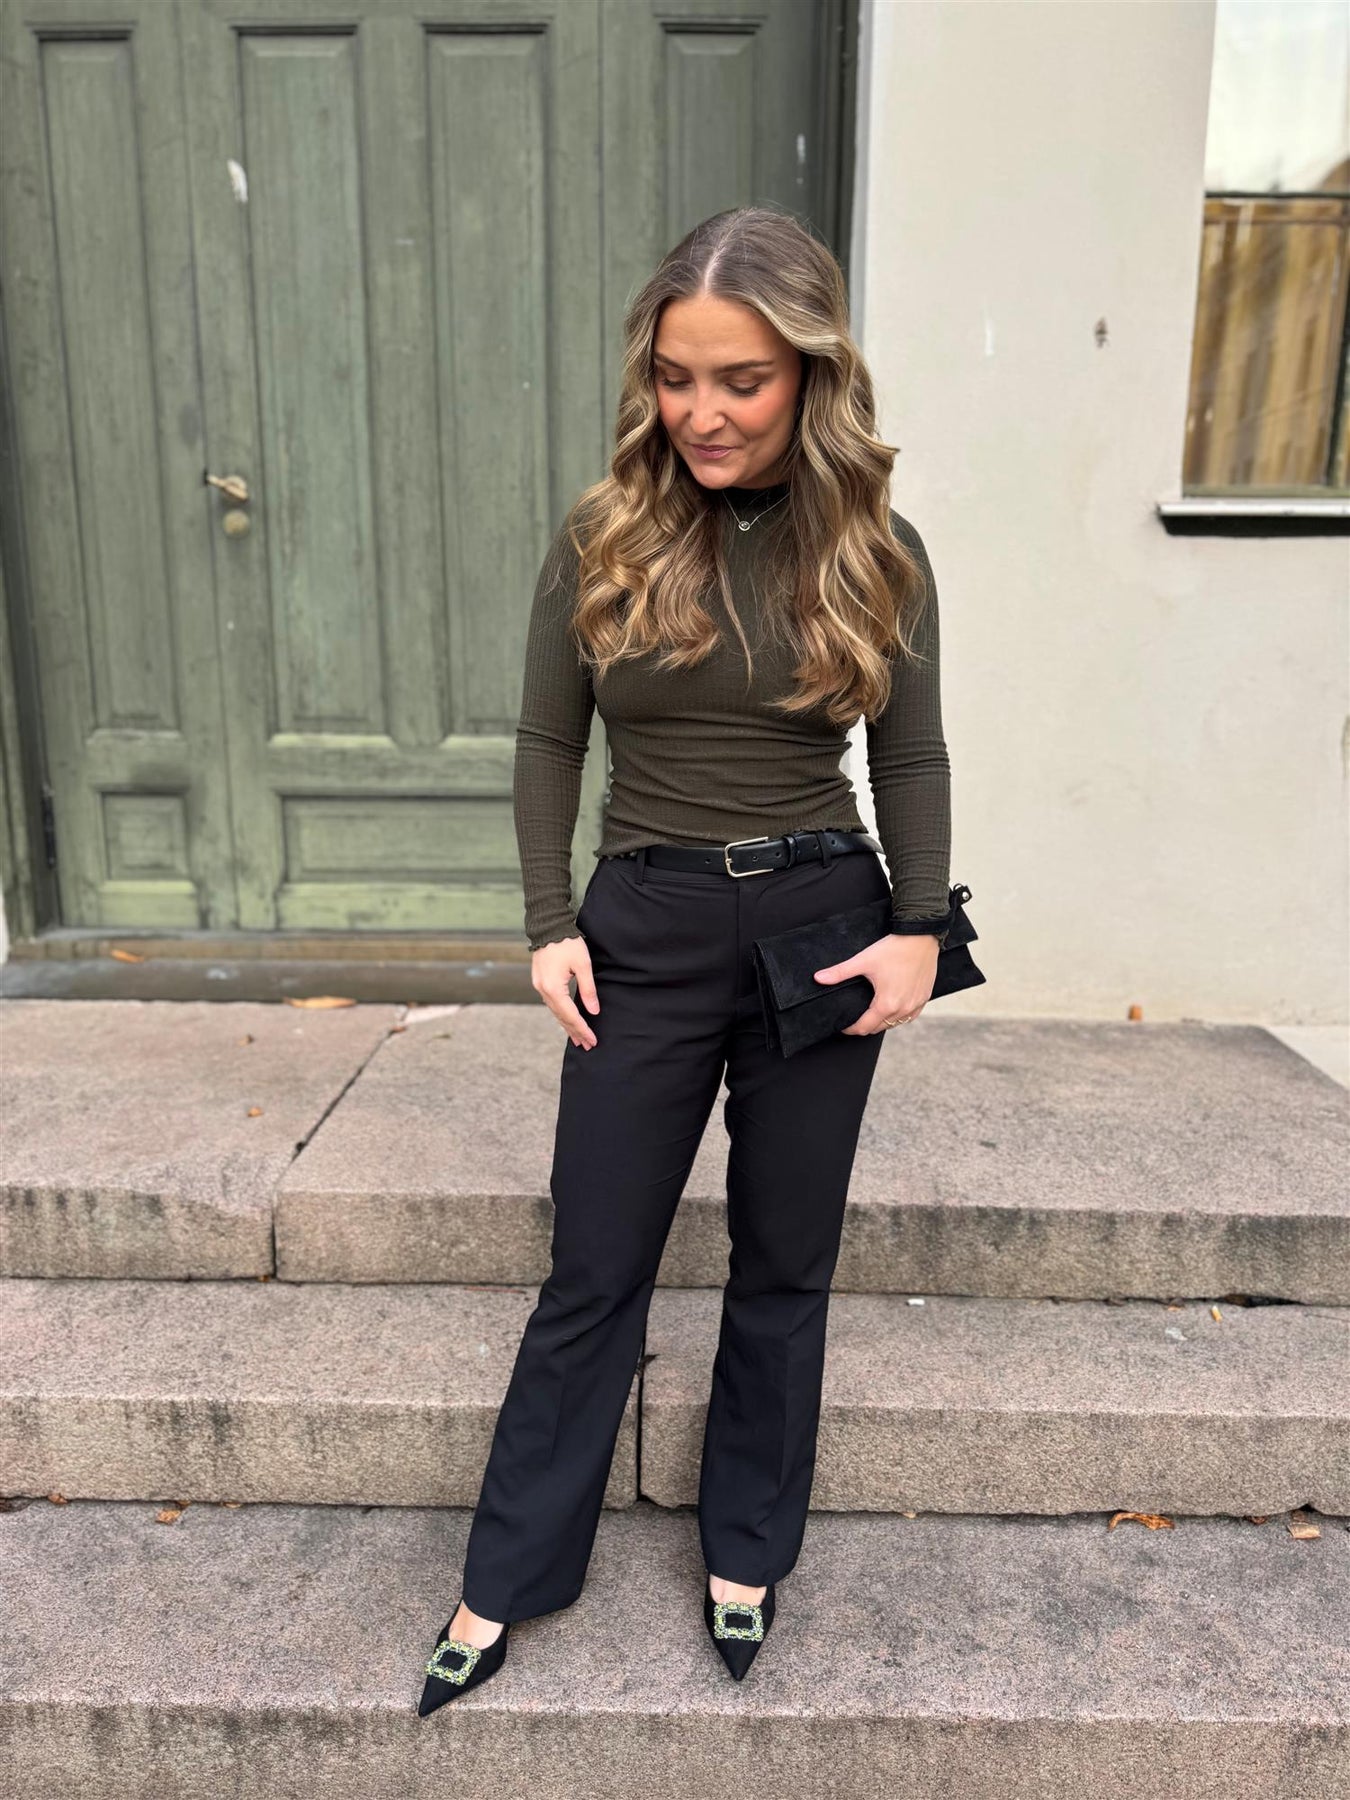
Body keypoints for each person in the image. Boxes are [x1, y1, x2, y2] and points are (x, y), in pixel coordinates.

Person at [417, 203, 953, 1713]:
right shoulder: (606, 534)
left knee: (785, 1262)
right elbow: (547, 740)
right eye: (675, 376)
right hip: (641, 929)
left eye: (740, 380)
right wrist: (547, 923)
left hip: (821, 931)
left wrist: (918, 927)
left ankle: (746, 1552)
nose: (701, 412)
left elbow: (910, 757)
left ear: (809, 375)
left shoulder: (876, 548)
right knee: (594, 1265)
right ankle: (508, 1573)